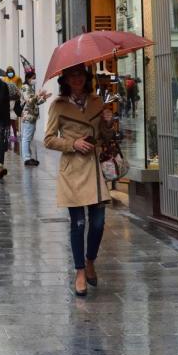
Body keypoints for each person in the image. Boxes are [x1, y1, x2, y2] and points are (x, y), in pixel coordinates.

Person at [43, 65, 115, 297]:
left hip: (94, 168)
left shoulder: (96, 102)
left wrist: (107, 121)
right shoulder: (58, 105)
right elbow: (49, 139)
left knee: (98, 222)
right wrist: (72, 144)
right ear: (65, 79)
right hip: (73, 169)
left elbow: (106, 136)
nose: (76, 79)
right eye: (72, 75)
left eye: (80, 74)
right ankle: (80, 271)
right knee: (78, 224)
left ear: (86, 78)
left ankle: (90, 259)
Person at [19, 71, 51, 166]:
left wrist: (43, 98)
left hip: (32, 115)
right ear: (28, 78)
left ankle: (28, 157)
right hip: (28, 115)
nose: (34, 80)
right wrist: (38, 95)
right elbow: (29, 101)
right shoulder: (25, 87)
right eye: (33, 78)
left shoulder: (30, 88)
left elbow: (35, 103)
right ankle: (27, 158)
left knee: (28, 137)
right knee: (26, 138)